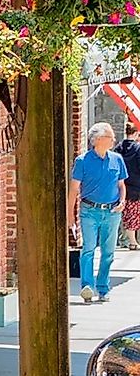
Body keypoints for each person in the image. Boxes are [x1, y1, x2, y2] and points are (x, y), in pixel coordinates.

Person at [75, 123, 127, 303]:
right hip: (89, 210)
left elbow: (121, 185)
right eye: (110, 137)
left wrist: (122, 201)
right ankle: (87, 286)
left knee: (108, 252)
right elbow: (73, 189)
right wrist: (68, 216)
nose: (113, 140)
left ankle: (103, 288)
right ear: (97, 140)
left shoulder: (117, 159)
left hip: (112, 212)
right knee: (88, 249)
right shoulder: (82, 161)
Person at [115, 128, 140, 251]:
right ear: (135, 133)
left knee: (122, 214)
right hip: (136, 186)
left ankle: (123, 240)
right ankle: (133, 242)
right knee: (133, 215)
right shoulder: (138, 149)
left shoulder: (118, 148)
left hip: (121, 185)